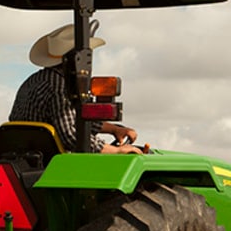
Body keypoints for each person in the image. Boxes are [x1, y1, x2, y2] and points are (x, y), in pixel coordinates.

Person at [9, 23, 141, 154]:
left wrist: (114, 129)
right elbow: (70, 135)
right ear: (78, 58)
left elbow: (75, 120)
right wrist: (116, 151)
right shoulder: (60, 87)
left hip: (19, 155)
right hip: (49, 162)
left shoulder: (33, 80)